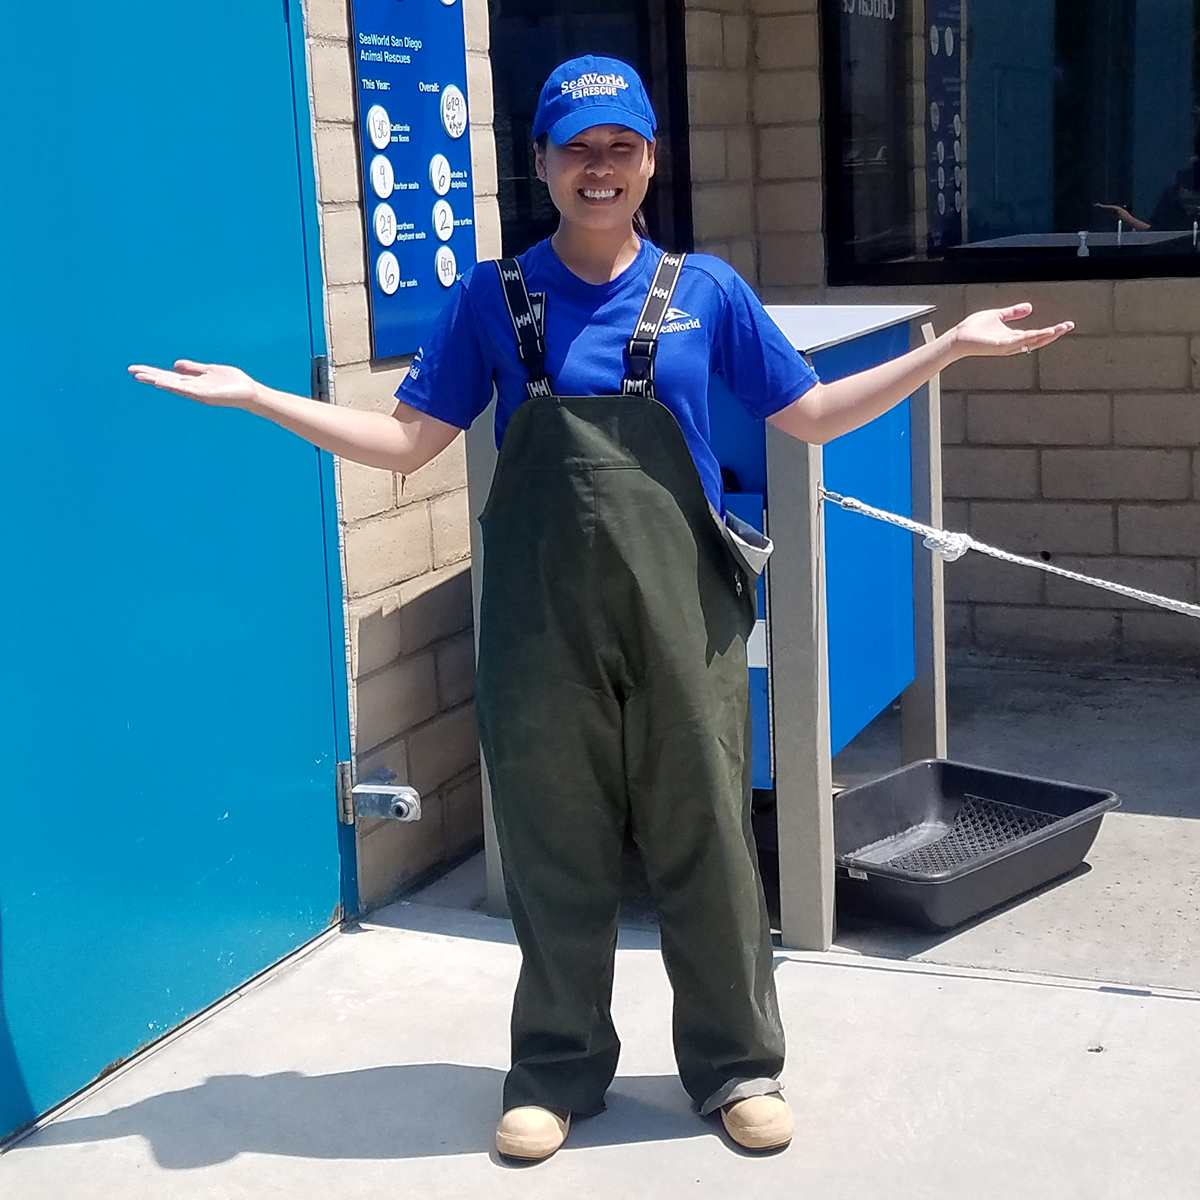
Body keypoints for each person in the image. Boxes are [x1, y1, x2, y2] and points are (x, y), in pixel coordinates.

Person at [130, 55, 1072, 1163]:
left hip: (685, 621)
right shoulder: (491, 298)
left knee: (708, 837)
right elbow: (405, 443)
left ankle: (736, 1066)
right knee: (553, 847)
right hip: (541, 629)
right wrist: (261, 398)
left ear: (651, 162)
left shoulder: (706, 291)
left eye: (621, 146)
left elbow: (811, 415)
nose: (599, 167)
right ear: (540, 163)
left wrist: (945, 348)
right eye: (576, 148)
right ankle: (555, 1070)